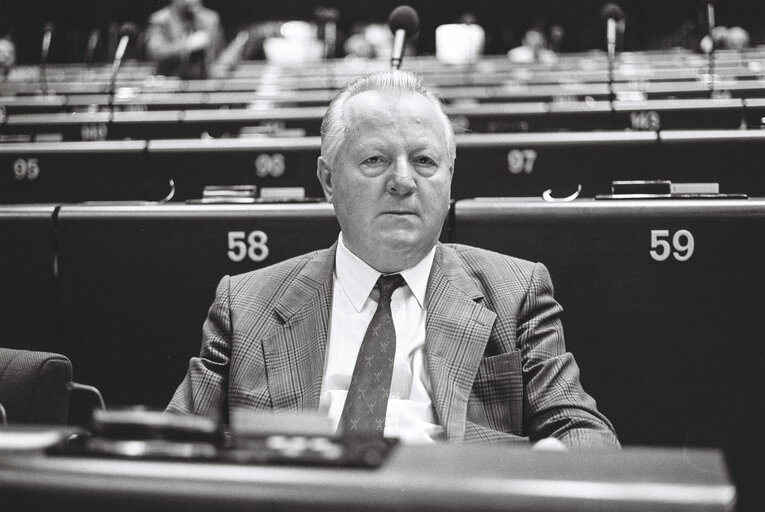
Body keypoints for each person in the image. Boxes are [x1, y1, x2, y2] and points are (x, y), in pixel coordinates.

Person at [167, 70, 619, 449]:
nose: (403, 181)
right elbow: (172, 446)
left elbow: (585, 433)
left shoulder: (515, 293)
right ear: (327, 179)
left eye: (424, 160)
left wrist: (549, 463)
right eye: (376, 159)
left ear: (449, 179)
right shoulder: (246, 305)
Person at [144, 0, 225, 79]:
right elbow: (156, 53)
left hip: (205, 81)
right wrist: (188, 45)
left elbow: (220, 56)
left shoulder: (211, 19)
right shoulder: (160, 19)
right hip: (171, 81)